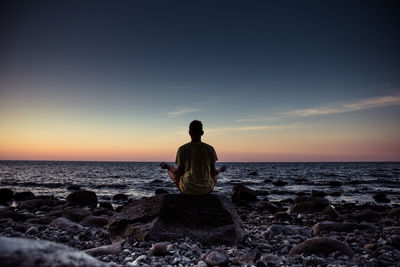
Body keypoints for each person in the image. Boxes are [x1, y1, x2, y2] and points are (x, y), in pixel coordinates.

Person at [160, 120, 226, 194]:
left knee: (169, 171)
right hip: (206, 189)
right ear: (202, 133)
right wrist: (220, 170)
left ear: (189, 133)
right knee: (217, 174)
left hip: (188, 189)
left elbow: (179, 173)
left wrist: (167, 167)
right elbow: (213, 172)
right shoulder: (210, 149)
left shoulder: (182, 149)